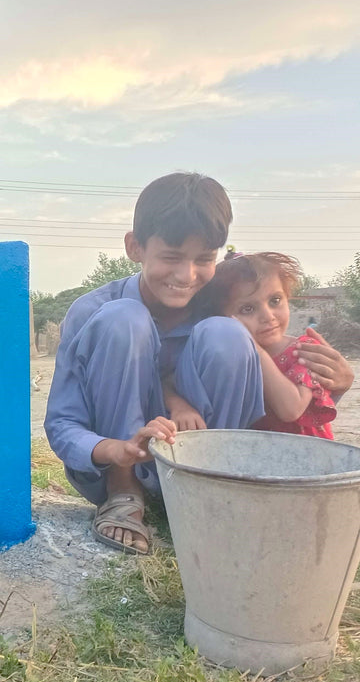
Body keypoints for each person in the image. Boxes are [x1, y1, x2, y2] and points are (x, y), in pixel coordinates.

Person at [45, 172, 270, 556]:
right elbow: (62, 423)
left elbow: (269, 353)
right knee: (124, 319)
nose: (187, 276)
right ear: (135, 247)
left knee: (229, 334)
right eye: (171, 257)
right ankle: (124, 493)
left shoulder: (217, 308)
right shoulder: (94, 312)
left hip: (194, 467)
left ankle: (212, 489)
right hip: (114, 466)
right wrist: (114, 450)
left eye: (204, 259)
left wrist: (327, 377)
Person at [197, 251, 335, 438]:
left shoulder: (303, 350)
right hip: (257, 455)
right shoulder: (229, 360)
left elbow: (291, 410)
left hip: (307, 457)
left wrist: (254, 349)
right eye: (248, 308)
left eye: (275, 300)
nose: (268, 316)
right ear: (223, 319)